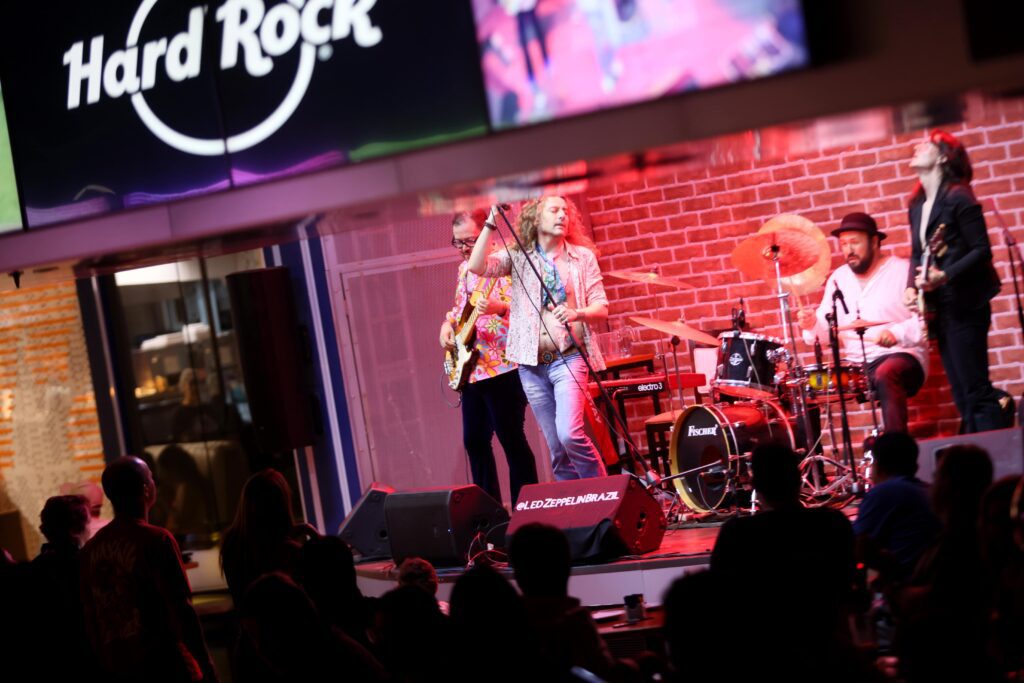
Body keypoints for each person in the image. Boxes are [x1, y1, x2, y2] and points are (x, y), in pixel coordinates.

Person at [468, 196, 609, 480]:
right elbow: (477, 266)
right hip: (531, 367)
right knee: (556, 448)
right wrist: (491, 222)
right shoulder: (519, 257)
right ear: (536, 218)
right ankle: (574, 509)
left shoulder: (582, 258)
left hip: (568, 359)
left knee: (569, 433)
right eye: (554, 211)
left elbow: (601, 308)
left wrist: (577, 313)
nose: (562, 216)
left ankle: (603, 496)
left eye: (566, 211)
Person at [79, 456, 218, 682]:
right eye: (152, 479)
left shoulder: (90, 551)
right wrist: (206, 662)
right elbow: (181, 609)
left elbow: (90, 617)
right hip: (165, 665)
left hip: (119, 668)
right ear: (146, 489)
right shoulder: (156, 540)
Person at [903, 129, 1006, 433]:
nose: (919, 146)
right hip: (943, 307)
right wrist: (911, 286)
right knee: (962, 393)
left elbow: (982, 250)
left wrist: (944, 275)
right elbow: (916, 253)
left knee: (975, 390)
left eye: (928, 144)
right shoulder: (917, 204)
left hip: (966, 302)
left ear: (944, 157)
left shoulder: (959, 196)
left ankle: (997, 459)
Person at [440, 210, 538, 504]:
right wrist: (447, 325)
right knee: (474, 440)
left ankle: (526, 510)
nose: (464, 249)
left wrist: (499, 308)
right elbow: (460, 309)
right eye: (457, 243)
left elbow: (532, 314)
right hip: (473, 367)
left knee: (511, 438)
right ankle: (488, 515)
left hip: (505, 366)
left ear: (487, 232)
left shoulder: (511, 261)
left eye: (469, 241)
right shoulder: (464, 270)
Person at [798, 212, 926, 434]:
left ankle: (897, 453)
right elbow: (826, 331)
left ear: (875, 242)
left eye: (855, 242)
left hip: (901, 357)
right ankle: (812, 464)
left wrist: (897, 332)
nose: (849, 249)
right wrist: (811, 324)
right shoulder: (839, 279)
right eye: (844, 244)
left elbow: (925, 321)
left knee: (887, 372)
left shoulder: (902, 270)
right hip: (855, 370)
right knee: (804, 385)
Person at [853, 432, 940, 583]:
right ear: (915, 466)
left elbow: (855, 547)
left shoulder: (884, 492)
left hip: (912, 590)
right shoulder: (930, 491)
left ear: (878, 466)